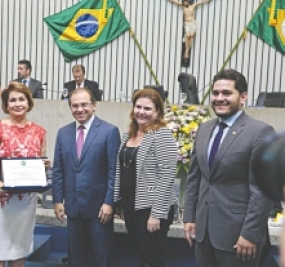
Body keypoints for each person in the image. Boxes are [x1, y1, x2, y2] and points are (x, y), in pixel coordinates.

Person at [183, 69, 275, 267]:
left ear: (243, 96)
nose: (219, 98)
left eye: (226, 93)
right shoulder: (204, 129)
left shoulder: (260, 132)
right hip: (204, 234)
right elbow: (195, 178)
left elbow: (262, 190)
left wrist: (250, 234)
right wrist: (189, 217)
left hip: (239, 238)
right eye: (215, 93)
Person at [0, 81, 49, 267]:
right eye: (12, 100)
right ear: (6, 105)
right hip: (1, 199)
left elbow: (40, 161)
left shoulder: (39, 131)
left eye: (22, 99)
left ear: (29, 102)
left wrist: (44, 165)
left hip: (26, 200)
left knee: (20, 247)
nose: (17, 104)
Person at [52, 88, 120, 267]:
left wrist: (109, 202)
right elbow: (58, 170)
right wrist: (58, 200)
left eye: (84, 104)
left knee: (101, 257)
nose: (79, 109)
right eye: (75, 105)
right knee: (76, 259)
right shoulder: (63, 133)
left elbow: (115, 171)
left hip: (99, 208)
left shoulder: (109, 131)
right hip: (73, 207)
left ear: (94, 105)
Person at [113, 88, 177, 267]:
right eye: (138, 107)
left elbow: (167, 176)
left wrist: (156, 214)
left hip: (151, 207)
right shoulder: (129, 134)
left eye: (147, 108)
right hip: (131, 204)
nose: (141, 112)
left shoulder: (162, 135)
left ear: (157, 112)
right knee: (140, 254)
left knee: (151, 258)